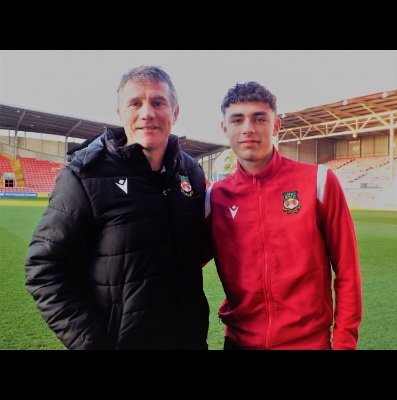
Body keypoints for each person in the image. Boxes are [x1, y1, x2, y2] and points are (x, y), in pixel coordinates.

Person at [25, 66, 209, 350]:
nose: (147, 113)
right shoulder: (85, 175)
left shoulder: (191, 172)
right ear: (120, 112)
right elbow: (44, 267)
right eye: (135, 103)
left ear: (175, 112)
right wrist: (94, 343)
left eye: (158, 102)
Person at [206, 81, 362, 350]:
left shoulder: (319, 182)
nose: (248, 129)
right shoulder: (215, 198)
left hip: (307, 344)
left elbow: (347, 269)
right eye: (237, 119)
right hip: (239, 343)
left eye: (259, 118)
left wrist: (345, 342)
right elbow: (179, 265)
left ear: (276, 125)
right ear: (225, 128)